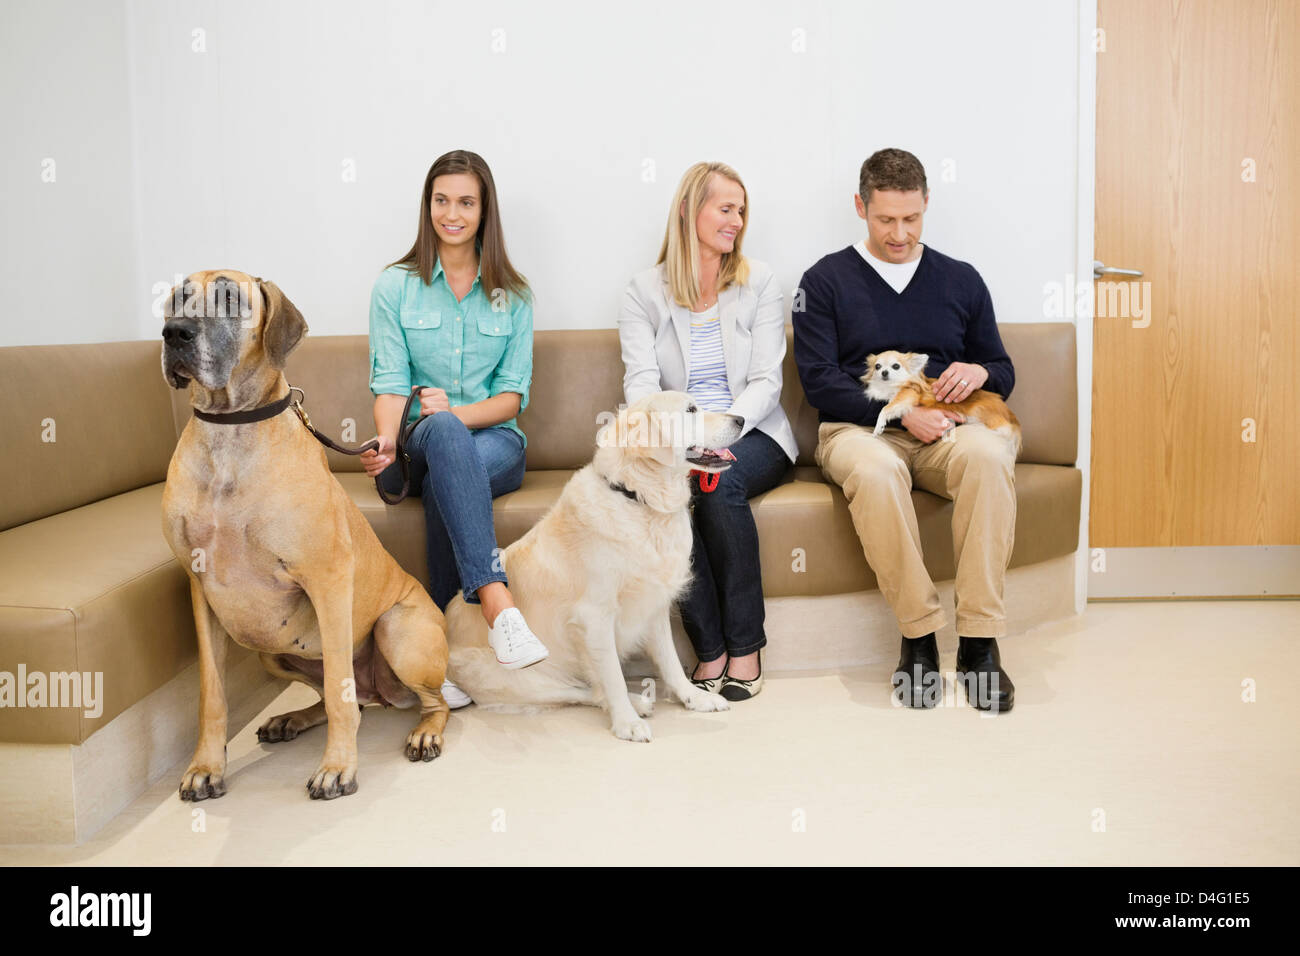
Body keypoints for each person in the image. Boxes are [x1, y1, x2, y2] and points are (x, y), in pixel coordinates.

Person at [792, 147, 1017, 712]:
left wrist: (981, 370)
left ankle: (979, 641)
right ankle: (918, 637)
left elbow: (1004, 369)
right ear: (860, 207)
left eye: (911, 219)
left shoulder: (961, 280)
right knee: (876, 472)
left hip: (947, 429)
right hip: (858, 431)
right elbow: (818, 381)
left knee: (989, 458)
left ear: (925, 206)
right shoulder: (824, 281)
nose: (900, 233)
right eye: (885, 219)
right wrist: (898, 411)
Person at [361, 149, 548, 709]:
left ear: (484, 211)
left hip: (497, 444)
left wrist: (453, 415)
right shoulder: (395, 286)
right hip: (420, 443)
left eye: (466, 202)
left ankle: (438, 661)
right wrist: (390, 440)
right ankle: (497, 607)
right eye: (441, 200)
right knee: (441, 442)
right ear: (428, 206)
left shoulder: (513, 295)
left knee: (451, 449)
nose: (452, 213)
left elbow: (512, 398)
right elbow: (391, 382)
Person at [618, 161, 797, 701]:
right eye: (725, 209)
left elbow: (768, 381)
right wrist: (683, 446)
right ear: (688, 210)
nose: (737, 221)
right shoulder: (642, 292)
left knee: (720, 485)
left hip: (754, 431)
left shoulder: (759, 282)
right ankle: (709, 649)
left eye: (741, 211)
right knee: (672, 495)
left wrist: (719, 438)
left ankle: (744, 646)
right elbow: (642, 385)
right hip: (680, 440)